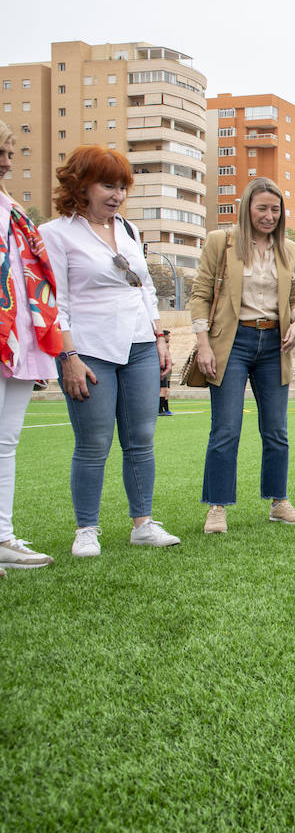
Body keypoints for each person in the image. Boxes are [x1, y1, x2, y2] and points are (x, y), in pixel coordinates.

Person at [41, 145, 180, 555]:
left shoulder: (129, 230)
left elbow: (145, 288)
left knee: (140, 438)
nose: (117, 194)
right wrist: (67, 358)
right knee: (94, 442)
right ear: (80, 185)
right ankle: (87, 529)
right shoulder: (56, 234)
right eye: (108, 185)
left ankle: (143, 523)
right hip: (88, 350)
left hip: (138, 344)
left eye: (123, 186)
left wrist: (158, 338)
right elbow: (57, 302)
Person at [190, 176, 295, 535]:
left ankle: (278, 502)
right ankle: (217, 508)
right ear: (246, 208)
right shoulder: (220, 242)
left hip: (275, 344)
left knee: (276, 430)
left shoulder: (288, 249)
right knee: (226, 429)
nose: (269, 215)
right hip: (232, 343)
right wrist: (203, 343)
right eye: (262, 208)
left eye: (275, 209)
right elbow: (199, 293)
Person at [0, 121, 62, 573]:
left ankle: (2, 537)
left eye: (9, 151)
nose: (6, 161)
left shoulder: (12, 209)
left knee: (6, 441)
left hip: (20, 341)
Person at [157, 330, 173, 416]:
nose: (169, 338)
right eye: (168, 336)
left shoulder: (166, 345)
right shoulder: (162, 345)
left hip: (167, 372)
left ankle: (165, 409)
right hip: (162, 370)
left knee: (166, 391)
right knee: (163, 391)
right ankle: (160, 410)